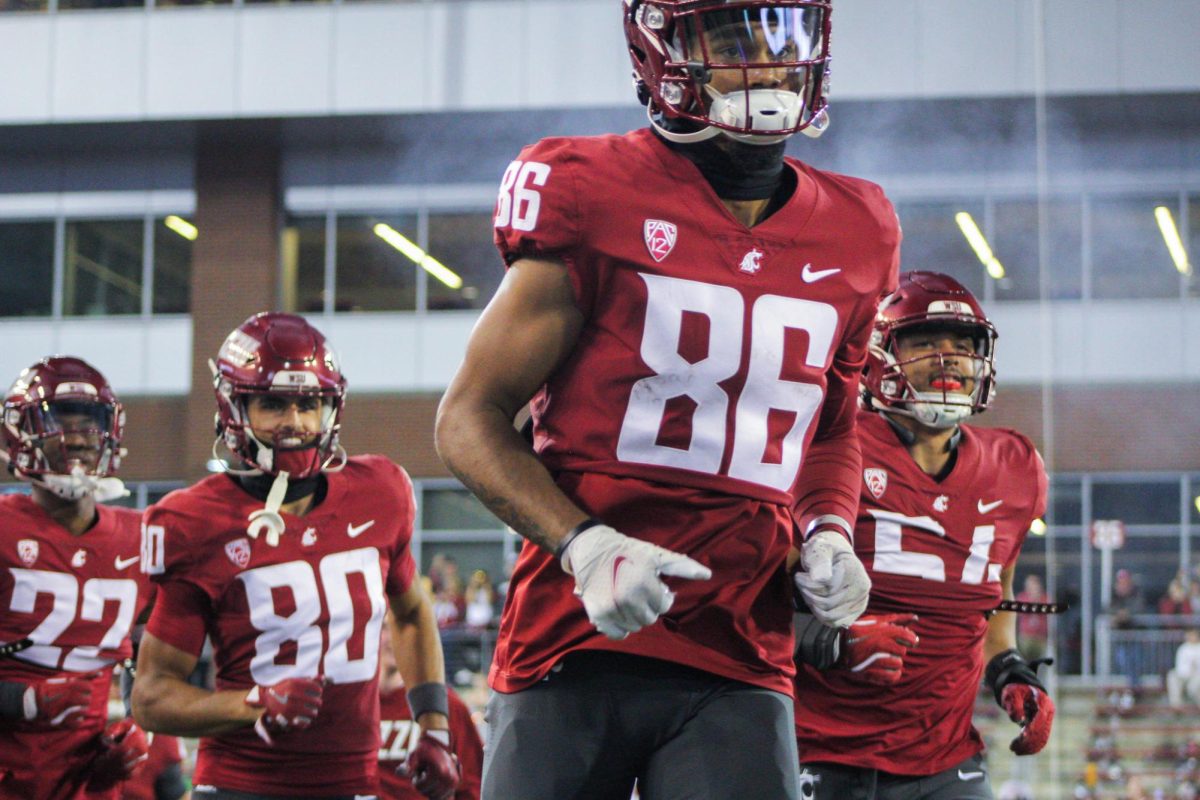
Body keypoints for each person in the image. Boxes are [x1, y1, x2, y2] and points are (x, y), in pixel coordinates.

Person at [435, 2, 900, 797]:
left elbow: (832, 426)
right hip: (576, 636)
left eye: (782, 34)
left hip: (740, 648)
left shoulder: (861, 227)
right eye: (731, 37)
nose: (765, 60)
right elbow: (468, 418)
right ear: (661, 52)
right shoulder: (592, 190)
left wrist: (829, 532)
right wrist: (584, 545)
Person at [131, 313, 459, 800]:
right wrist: (252, 703)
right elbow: (151, 696)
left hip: (353, 787)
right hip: (239, 786)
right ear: (233, 407)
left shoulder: (381, 491)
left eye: (309, 404)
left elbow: (410, 613)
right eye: (272, 404)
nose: (296, 423)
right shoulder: (194, 520)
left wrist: (433, 726)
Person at [792, 272, 1055, 799]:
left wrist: (1008, 668)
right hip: (820, 747)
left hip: (946, 759)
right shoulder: (824, 444)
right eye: (926, 341)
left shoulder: (1016, 468)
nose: (950, 356)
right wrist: (824, 639)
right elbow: (751, 577)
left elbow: (992, 591)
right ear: (879, 355)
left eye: (963, 344)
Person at [0, 356, 152, 798]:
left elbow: (153, 664)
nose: (77, 438)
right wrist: (22, 701)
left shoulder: (141, 537)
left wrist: (132, 730)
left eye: (88, 424)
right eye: (59, 423)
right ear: (22, 435)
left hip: (86, 785)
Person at [377, 615, 483, 800]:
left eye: (401, 627)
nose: (394, 638)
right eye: (385, 628)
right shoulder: (349, 706)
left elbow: (473, 784)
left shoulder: (445, 705)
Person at [1016, 573, 1051, 661]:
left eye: (1034, 585)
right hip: (1026, 637)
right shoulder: (1022, 597)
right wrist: (1032, 600)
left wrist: (1038, 600)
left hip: (1041, 637)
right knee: (1024, 659)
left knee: (1042, 660)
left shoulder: (1045, 598)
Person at [1167, 629, 1200, 709]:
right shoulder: (1183, 648)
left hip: (1197, 674)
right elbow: (1180, 665)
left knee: (1194, 686)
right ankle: (1176, 707)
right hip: (1184, 674)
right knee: (1172, 676)